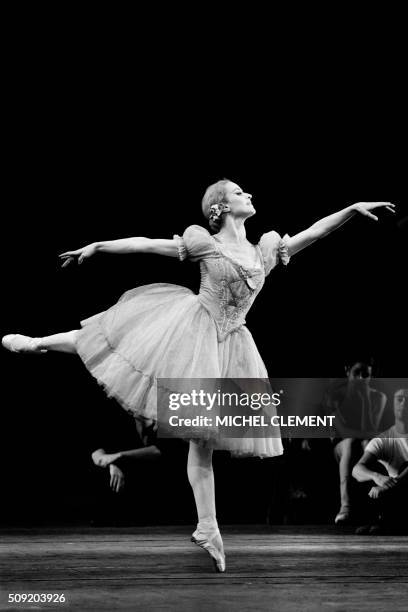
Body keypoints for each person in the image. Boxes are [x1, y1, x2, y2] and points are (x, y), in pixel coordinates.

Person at [2, 179, 395, 572]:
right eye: (241, 193)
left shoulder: (264, 251)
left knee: (202, 443)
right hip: (193, 332)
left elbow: (314, 232)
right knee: (115, 335)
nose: (251, 195)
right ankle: (38, 342)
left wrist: (351, 209)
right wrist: (99, 246)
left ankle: (208, 527)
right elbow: (147, 243)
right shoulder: (205, 243)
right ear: (219, 208)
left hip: (232, 347)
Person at [324, 360, 387, 524]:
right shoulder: (335, 396)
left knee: (368, 444)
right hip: (342, 446)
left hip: (364, 443)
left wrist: (365, 401)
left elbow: (372, 431)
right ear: (347, 371)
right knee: (353, 441)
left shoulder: (379, 397)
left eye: (366, 375)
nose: (361, 378)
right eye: (357, 373)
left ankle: (375, 509)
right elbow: (344, 432)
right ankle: (346, 506)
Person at [352, 388, 408, 534]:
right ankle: (379, 520)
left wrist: (389, 486)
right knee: (369, 472)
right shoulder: (384, 439)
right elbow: (356, 470)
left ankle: (386, 521)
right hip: (397, 497)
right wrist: (377, 477)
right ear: (392, 405)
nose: (404, 403)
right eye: (400, 399)